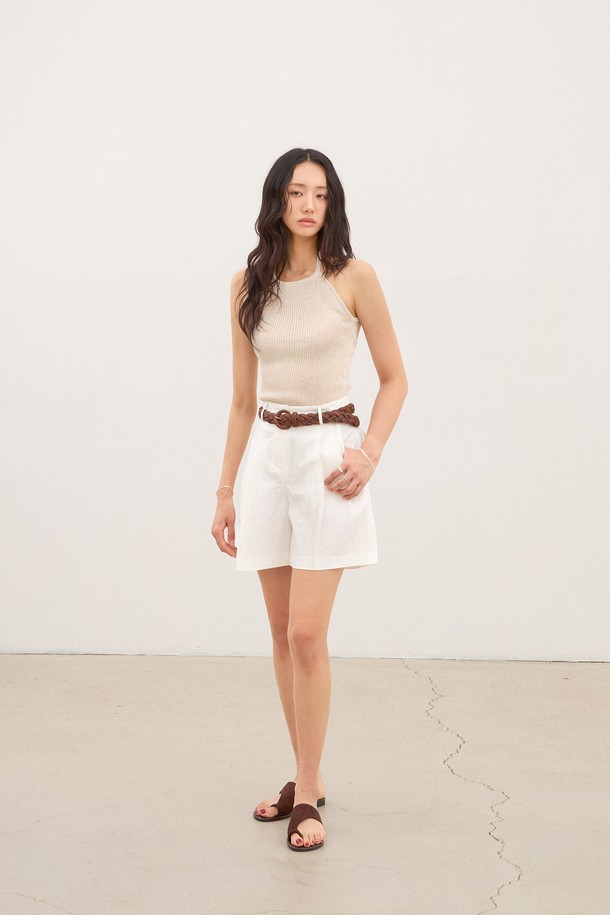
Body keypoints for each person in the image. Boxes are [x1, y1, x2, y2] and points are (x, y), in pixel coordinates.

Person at [211, 148, 408, 851]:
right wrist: (225, 489)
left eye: (320, 195)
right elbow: (241, 400)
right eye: (296, 193)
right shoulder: (247, 284)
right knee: (277, 630)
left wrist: (368, 453)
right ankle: (306, 779)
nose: (308, 206)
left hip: (329, 457)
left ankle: (307, 788)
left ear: (332, 205)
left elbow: (395, 378)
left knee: (305, 634)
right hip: (268, 455)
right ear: (277, 201)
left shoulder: (354, 277)